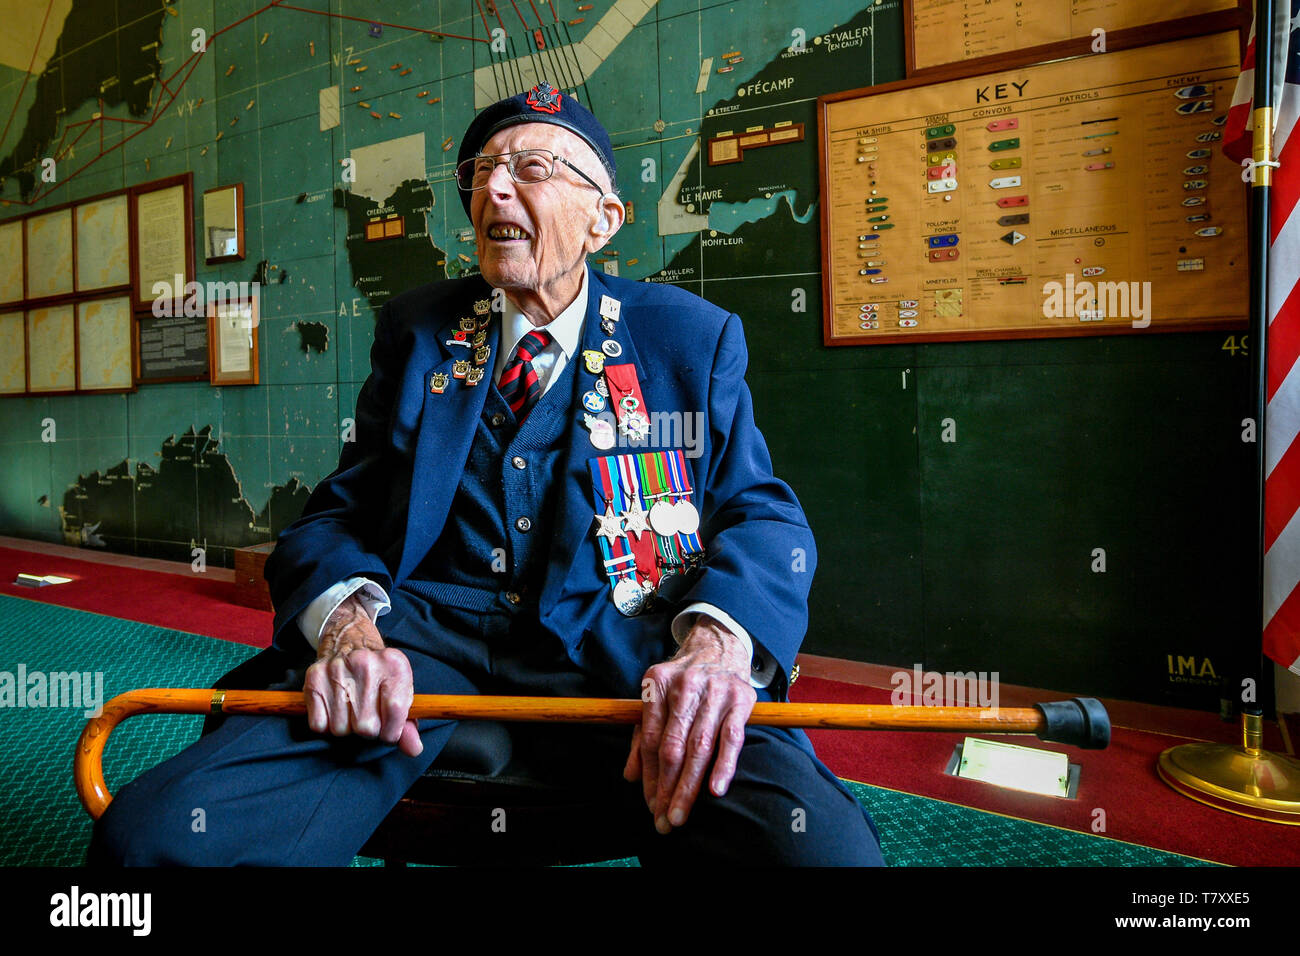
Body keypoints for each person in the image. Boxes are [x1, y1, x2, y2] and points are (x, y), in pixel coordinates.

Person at [89, 83, 884, 866]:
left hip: (631, 651)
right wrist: (348, 631)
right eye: (482, 172)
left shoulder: (687, 337)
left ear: (604, 220)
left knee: (826, 854)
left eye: (532, 167)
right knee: (151, 836)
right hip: (420, 652)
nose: (494, 186)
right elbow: (335, 518)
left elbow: (762, 514)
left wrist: (714, 647)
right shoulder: (419, 328)